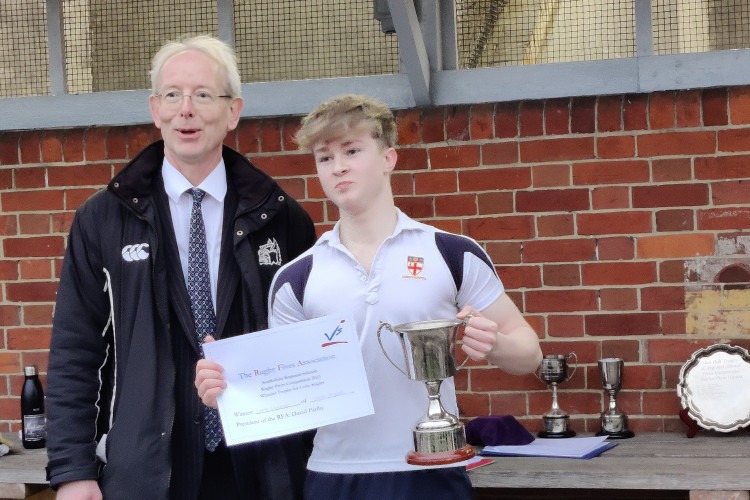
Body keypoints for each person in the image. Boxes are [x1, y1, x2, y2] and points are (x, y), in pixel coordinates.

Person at [196, 94, 542, 499]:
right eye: (325, 157)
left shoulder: (450, 253)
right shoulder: (296, 278)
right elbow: (287, 395)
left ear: (388, 158)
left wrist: (496, 345)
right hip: (333, 476)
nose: (338, 166)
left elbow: (530, 354)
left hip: (431, 470)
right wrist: (230, 393)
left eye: (352, 150)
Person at [45, 35, 316, 500]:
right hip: (145, 472)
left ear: (233, 112)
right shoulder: (102, 220)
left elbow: (307, 348)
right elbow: (76, 350)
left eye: (203, 95)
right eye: (173, 95)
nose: (185, 110)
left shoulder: (283, 219)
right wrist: (73, 470)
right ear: (156, 109)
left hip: (257, 468)